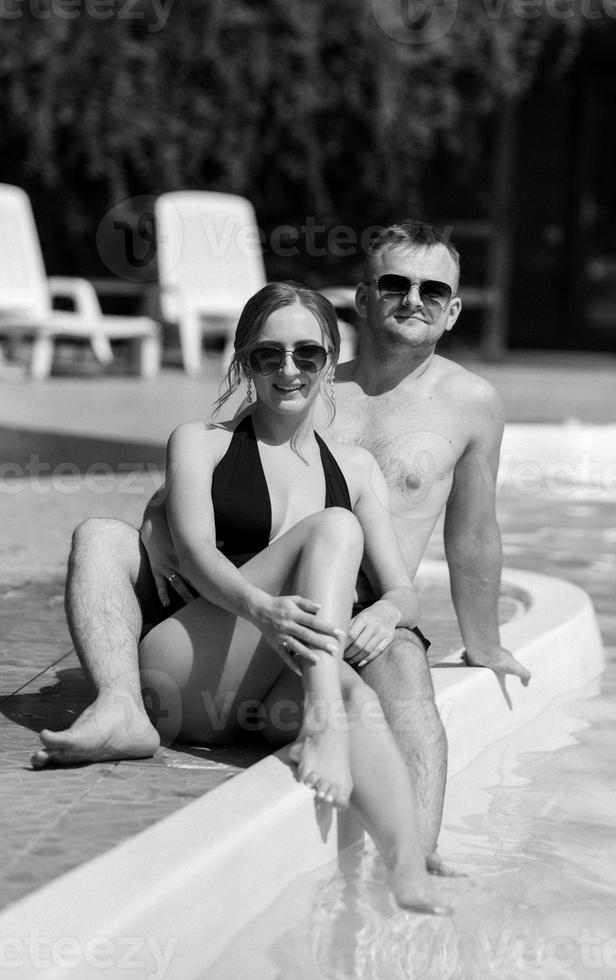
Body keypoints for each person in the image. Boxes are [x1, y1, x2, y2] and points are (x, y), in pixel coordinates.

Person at [32, 220, 530, 869]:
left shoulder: (471, 402)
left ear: (454, 309)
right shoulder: (307, 377)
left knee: (406, 672)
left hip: (362, 619)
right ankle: (120, 701)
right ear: (362, 297)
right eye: (395, 283)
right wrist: (174, 545)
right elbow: (214, 483)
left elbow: (474, 531)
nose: (414, 300)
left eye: (433, 290)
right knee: (103, 537)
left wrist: (483, 642)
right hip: (245, 616)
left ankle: (417, 859)